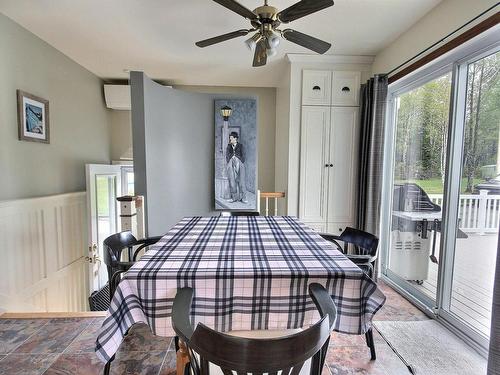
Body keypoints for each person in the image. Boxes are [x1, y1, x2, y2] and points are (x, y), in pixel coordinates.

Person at [226, 132, 247, 203]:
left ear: (235, 138)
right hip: (231, 164)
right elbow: (227, 157)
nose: (230, 139)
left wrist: (237, 159)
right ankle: (234, 198)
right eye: (230, 138)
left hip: (240, 164)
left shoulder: (241, 146)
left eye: (231, 138)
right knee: (232, 181)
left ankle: (243, 198)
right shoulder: (229, 146)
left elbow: (243, 157)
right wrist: (232, 159)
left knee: (241, 181)